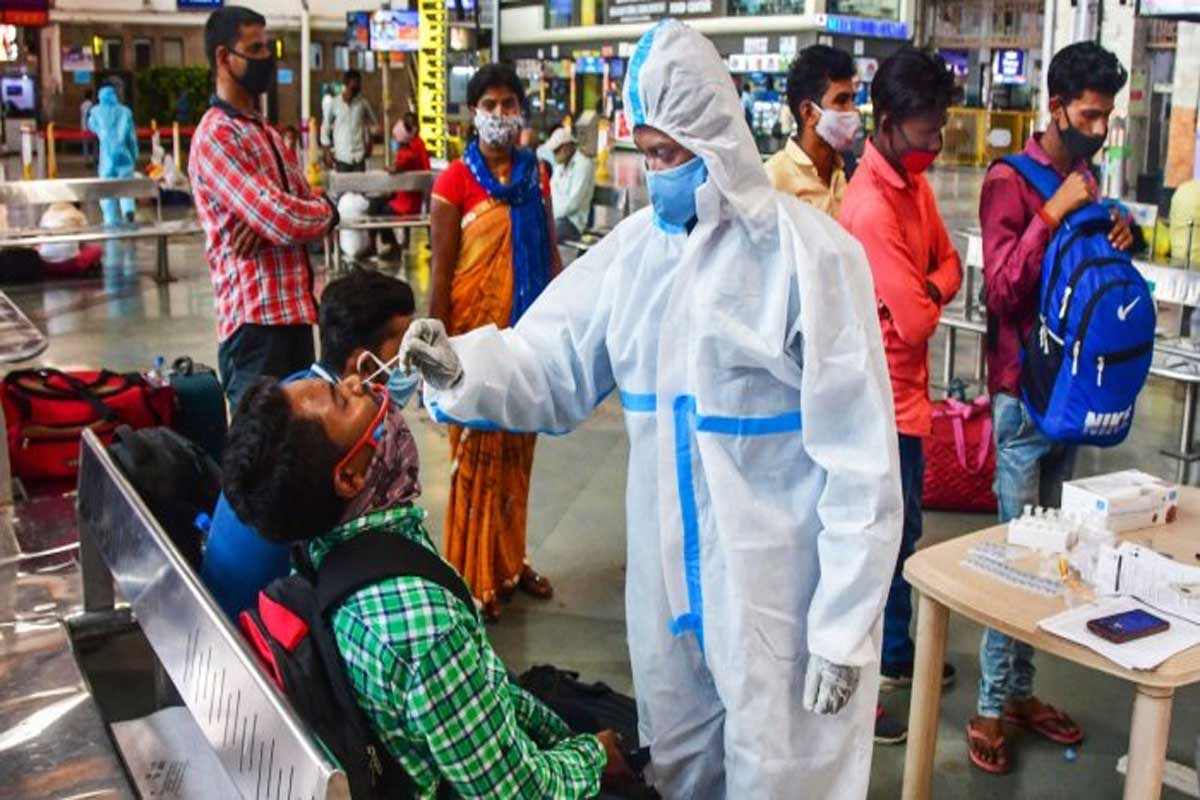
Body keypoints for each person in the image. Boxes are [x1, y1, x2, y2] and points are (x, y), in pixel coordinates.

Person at [401, 20, 902, 798]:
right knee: (678, 768)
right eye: (646, 153)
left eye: (668, 154)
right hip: (668, 600)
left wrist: (844, 625)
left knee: (786, 778)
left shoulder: (810, 260)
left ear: (717, 142)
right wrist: (462, 365)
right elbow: (551, 358)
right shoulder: (636, 256)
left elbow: (861, 459)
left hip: (778, 602)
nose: (654, 172)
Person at [221, 373, 633, 799]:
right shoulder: (421, 626)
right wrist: (595, 758)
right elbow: (516, 792)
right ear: (349, 478)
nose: (358, 382)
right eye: (343, 400)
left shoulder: (325, 549)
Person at [970, 40, 1132, 775]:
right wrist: (1054, 212)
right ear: (1057, 106)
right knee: (1016, 561)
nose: (1098, 129)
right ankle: (986, 705)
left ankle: (1020, 692)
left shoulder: (1089, 178)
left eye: (1107, 117)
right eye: (1089, 114)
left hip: (1072, 395)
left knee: (1058, 559)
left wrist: (1111, 225)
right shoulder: (1010, 181)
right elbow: (1000, 291)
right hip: (1022, 400)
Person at [839, 46, 963, 745]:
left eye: (941, 127)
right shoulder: (870, 207)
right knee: (882, 538)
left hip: (910, 400)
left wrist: (928, 287)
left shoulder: (913, 189)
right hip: (880, 402)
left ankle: (894, 648)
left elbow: (949, 268)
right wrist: (923, 295)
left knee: (905, 532)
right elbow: (913, 323)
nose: (935, 143)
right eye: (925, 131)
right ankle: (881, 663)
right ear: (887, 123)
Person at [426, 62, 562, 622]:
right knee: (476, 457)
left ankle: (508, 563)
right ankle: (470, 576)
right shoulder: (453, 182)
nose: (500, 115)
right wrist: (434, 347)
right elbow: (442, 271)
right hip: (471, 344)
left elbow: (550, 255)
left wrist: (560, 329)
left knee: (516, 459)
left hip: (524, 341)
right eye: (491, 104)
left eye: (510, 104)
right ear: (474, 112)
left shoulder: (539, 176)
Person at [202, 270, 418, 620]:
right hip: (257, 634)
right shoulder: (325, 450)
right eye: (405, 344)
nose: (413, 358)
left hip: (222, 607)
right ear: (362, 363)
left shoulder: (294, 398)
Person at [189, 6, 337, 407]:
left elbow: (300, 207)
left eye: (268, 47)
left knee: (299, 451)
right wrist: (304, 215)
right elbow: (284, 217)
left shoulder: (265, 132)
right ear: (224, 58)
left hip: (295, 316)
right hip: (254, 330)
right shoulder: (217, 136)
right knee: (260, 457)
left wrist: (309, 213)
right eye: (254, 49)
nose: (266, 57)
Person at [765, 44, 857, 218]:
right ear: (808, 112)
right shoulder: (774, 181)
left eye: (853, 99)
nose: (853, 111)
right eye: (842, 100)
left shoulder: (850, 174)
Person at [366, 112, 431, 258]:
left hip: (407, 202)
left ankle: (392, 246)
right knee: (375, 206)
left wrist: (391, 169)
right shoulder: (408, 150)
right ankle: (375, 246)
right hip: (404, 198)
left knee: (382, 212)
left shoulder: (409, 153)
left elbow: (397, 168)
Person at [87, 85, 138, 225]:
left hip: (106, 158)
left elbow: (91, 126)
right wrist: (135, 156)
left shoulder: (96, 112)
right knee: (126, 187)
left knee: (107, 189)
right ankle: (128, 211)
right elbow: (132, 138)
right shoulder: (125, 112)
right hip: (124, 157)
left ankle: (110, 219)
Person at [321, 69, 377, 172]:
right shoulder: (335, 103)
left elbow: (373, 125)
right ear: (346, 85)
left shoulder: (363, 103)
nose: (356, 90)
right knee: (343, 187)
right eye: (353, 87)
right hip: (342, 157)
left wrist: (370, 143)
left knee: (360, 187)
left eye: (358, 87)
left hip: (359, 157)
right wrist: (327, 153)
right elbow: (325, 128)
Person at [547, 127, 596, 242]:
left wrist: (551, 212)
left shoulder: (583, 165)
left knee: (544, 233)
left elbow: (573, 204)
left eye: (556, 151)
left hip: (574, 222)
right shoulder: (559, 166)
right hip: (556, 217)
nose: (554, 155)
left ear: (567, 148)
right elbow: (550, 192)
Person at [80, 89, 95, 167]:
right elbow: (90, 116)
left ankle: (86, 161)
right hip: (90, 127)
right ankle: (94, 160)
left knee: (85, 145)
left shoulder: (82, 105)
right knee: (94, 144)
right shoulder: (91, 105)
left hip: (83, 127)